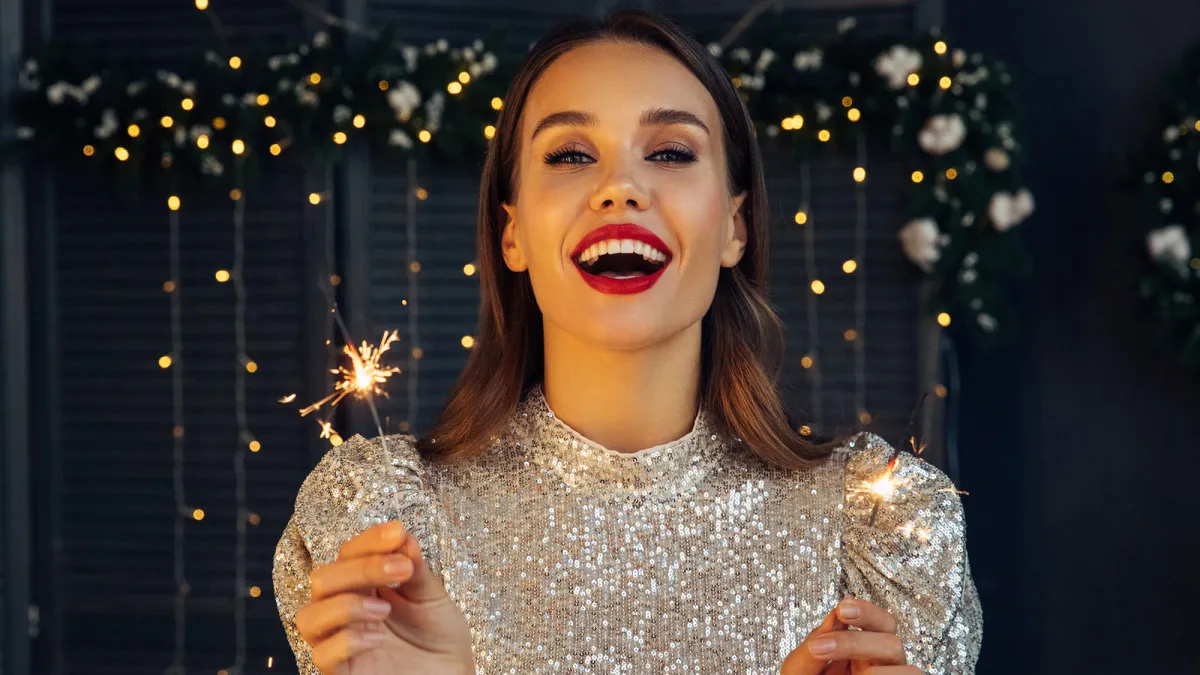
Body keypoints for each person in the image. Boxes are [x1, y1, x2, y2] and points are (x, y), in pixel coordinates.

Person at [272, 9, 982, 675]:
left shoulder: (881, 529)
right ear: (511, 232)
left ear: (736, 226)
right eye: (572, 154)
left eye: (671, 151)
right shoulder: (384, 528)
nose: (620, 188)